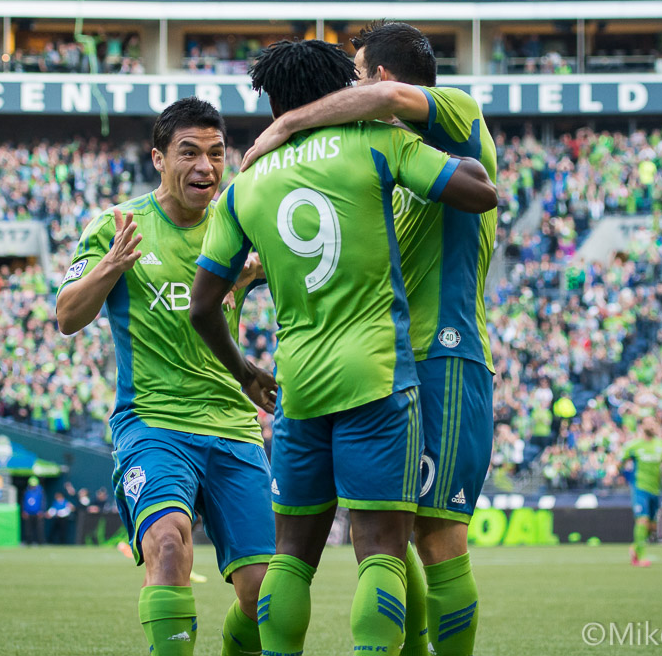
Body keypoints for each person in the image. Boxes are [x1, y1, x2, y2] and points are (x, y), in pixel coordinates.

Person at [189, 38, 496, 656]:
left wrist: (246, 370)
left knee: (311, 552)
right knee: (388, 543)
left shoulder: (247, 185)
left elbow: (201, 306)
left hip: (338, 373)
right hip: (381, 369)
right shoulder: (377, 145)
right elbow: (474, 192)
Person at [56, 97, 276, 656]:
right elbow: (67, 317)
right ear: (158, 158)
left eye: (216, 154)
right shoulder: (118, 226)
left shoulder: (238, 226)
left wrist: (254, 273)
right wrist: (110, 267)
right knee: (169, 546)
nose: (205, 166)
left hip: (232, 426)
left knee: (264, 596)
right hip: (153, 423)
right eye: (189, 153)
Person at [619, 416, 662, 567]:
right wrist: (619, 472)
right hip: (639, 487)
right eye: (648, 422)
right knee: (642, 520)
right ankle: (641, 556)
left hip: (656, 489)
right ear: (642, 426)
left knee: (652, 527)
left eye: (654, 422)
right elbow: (620, 461)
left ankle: (635, 547)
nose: (651, 425)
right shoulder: (634, 445)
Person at [21, 476, 45, 546]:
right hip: (28, 513)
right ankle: (29, 542)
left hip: (38, 513)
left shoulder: (40, 491)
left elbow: (43, 502)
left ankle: (40, 542)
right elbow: (23, 502)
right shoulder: (26, 491)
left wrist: (41, 511)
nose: (32, 487)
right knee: (28, 529)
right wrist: (24, 511)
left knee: (39, 529)